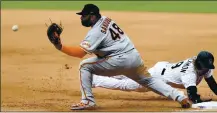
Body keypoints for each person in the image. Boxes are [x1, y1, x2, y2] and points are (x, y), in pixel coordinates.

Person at [46, 4, 191, 110]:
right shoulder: (106, 19)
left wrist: (59, 46)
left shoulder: (95, 32)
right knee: (149, 80)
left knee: (85, 65)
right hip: (134, 57)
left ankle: (87, 101)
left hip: (120, 60)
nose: (81, 18)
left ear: (93, 16)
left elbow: (79, 53)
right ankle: (179, 97)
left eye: (84, 16)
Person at [92, 51, 217, 104]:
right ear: (199, 64)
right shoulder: (190, 73)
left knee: (134, 75)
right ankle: (96, 80)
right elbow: (193, 97)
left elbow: (211, 81)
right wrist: (201, 101)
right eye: (205, 66)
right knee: (129, 85)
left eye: (209, 66)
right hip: (157, 76)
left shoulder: (200, 64)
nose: (207, 69)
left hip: (164, 68)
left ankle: (110, 70)